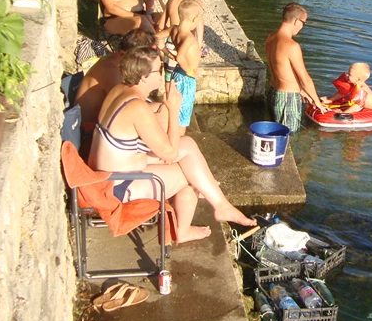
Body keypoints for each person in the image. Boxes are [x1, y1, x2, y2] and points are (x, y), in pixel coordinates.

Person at [89, 46, 256, 243]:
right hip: (119, 186)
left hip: (111, 173)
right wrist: (173, 109)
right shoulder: (137, 107)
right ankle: (187, 228)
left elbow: (143, 119)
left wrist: (162, 108)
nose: (164, 75)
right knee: (190, 175)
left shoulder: (121, 90)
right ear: (143, 77)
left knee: (188, 144)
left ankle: (221, 205)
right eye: (159, 70)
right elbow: (169, 152)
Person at [75, 28, 157, 131]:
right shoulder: (112, 71)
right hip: (89, 130)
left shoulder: (116, 62)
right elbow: (124, 108)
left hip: (100, 124)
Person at [264, 3, 327, 133]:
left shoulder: (270, 38)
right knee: (289, 137)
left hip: (272, 93)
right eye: (304, 23)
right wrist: (317, 102)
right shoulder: (292, 46)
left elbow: (281, 70)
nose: (302, 27)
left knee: (276, 134)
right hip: (287, 99)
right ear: (296, 21)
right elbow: (305, 79)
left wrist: (301, 92)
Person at [168, 0, 203, 135]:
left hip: (176, 73)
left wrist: (165, 53)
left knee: (174, 111)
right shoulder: (188, 37)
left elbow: (157, 38)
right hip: (186, 78)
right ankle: (179, 140)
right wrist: (190, 72)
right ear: (194, 19)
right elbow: (180, 57)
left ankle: (174, 139)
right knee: (182, 116)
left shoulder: (174, 29)